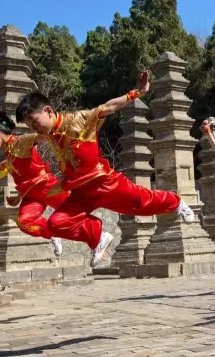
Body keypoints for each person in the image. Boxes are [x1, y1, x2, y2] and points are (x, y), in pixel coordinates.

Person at [14, 71, 196, 267]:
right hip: (80, 192)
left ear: (48, 111)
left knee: (141, 201)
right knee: (56, 223)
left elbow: (108, 107)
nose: (34, 128)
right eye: (29, 125)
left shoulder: (78, 119)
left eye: (34, 121)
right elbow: (26, 144)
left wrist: (137, 92)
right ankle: (99, 236)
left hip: (103, 182)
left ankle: (176, 202)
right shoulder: (49, 135)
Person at [0, 107, 69, 257]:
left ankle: (100, 237)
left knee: (75, 210)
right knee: (24, 222)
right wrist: (18, 196)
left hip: (46, 186)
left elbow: (39, 137)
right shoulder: (9, 154)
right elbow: (23, 176)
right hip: (33, 195)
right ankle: (53, 234)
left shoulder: (20, 142)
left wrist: (57, 132)